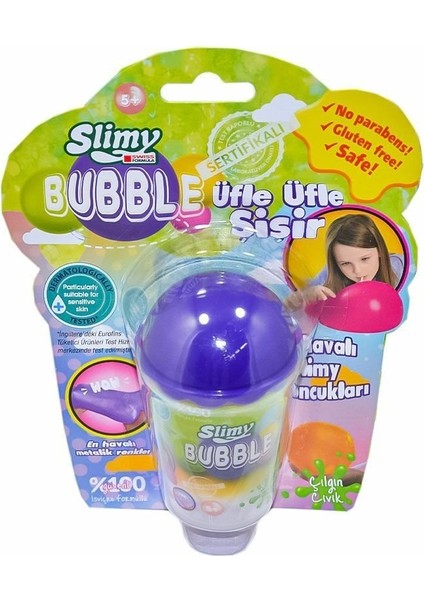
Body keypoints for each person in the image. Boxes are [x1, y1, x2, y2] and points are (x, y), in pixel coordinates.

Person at [286, 214, 403, 309]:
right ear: (335, 263)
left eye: (365, 259)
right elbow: (289, 303)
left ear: (380, 250)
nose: (357, 271)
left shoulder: (400, 267)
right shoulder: (329, 274)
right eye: (345, 263)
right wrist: (305, 296)